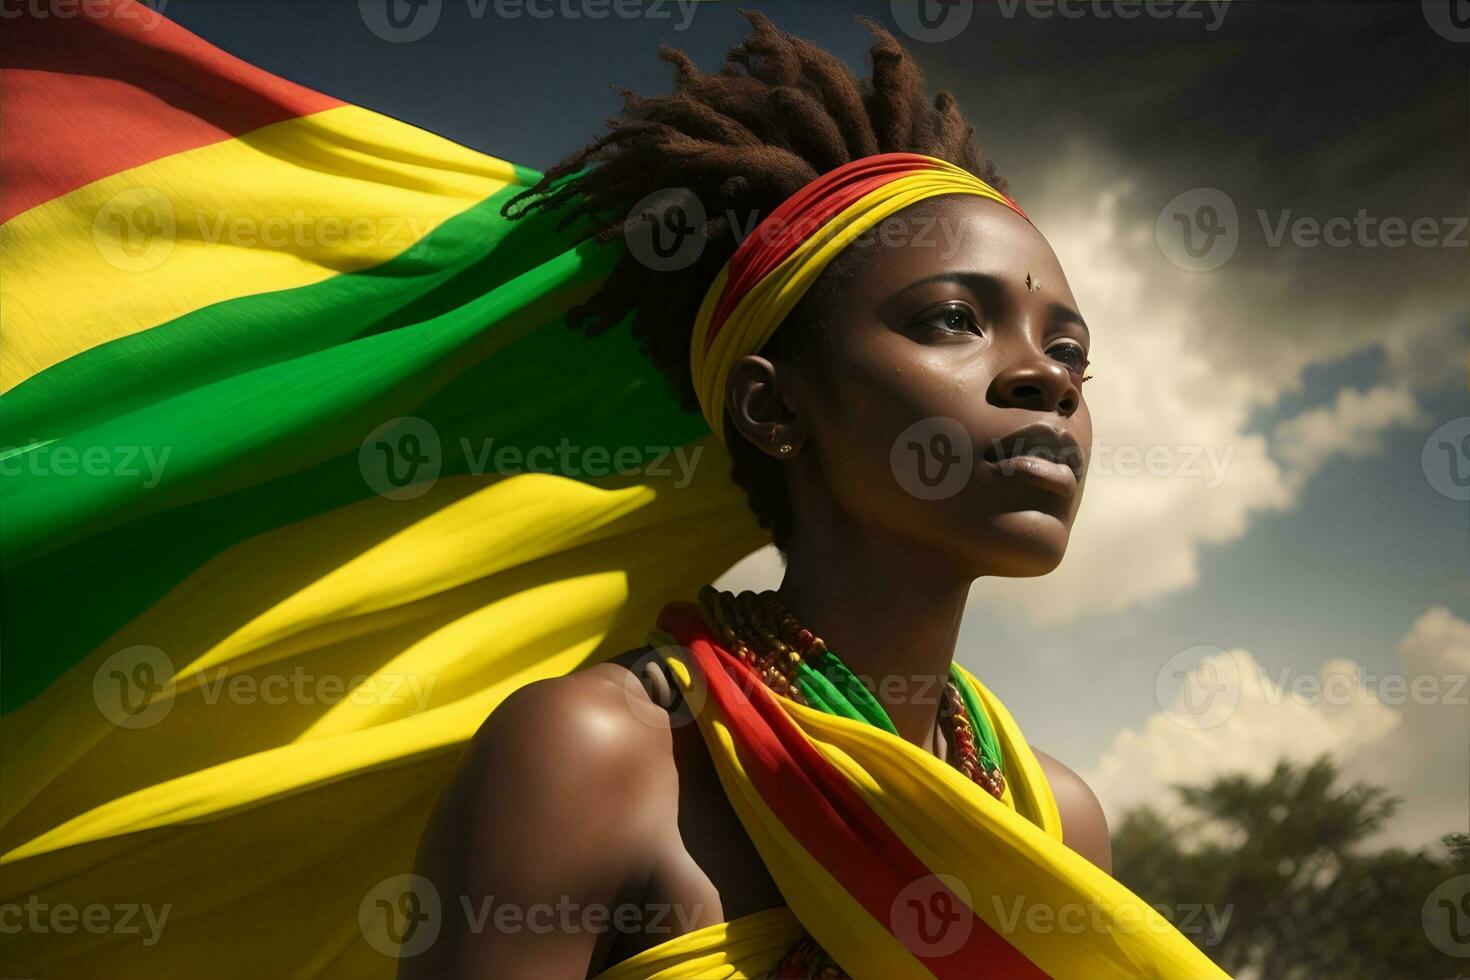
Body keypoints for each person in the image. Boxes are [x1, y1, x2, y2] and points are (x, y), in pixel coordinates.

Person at [405, 12, 1224, 980]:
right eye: (954, 319)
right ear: (773, 404)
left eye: (1071, 352)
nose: (1048, 380)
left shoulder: (1052, 816)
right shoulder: (599, 755)